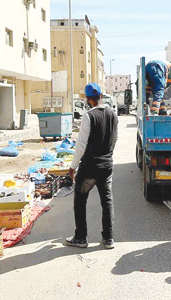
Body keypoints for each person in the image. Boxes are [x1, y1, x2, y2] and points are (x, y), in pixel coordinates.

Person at [66, 82, 118, 249]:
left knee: (80, 200)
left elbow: (81, 144)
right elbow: (114, 138)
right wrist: (108, 155)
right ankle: (108, 238)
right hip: (107, 165)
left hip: (90, 167)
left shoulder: (89, 116)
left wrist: (72, 167)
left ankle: (81, 237)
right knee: (107, 201)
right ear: (101, 96)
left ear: (88, 99)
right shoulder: (113, 114)